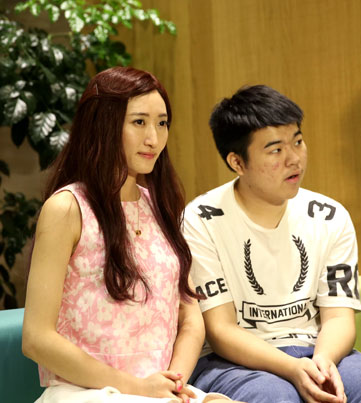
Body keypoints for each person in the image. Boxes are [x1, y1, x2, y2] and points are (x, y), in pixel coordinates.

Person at [22, 67, 232, 403]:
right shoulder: (66, 209)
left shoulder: (161, 207)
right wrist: (136, 388)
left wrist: (173, 386)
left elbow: (191, 318)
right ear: (103, 125)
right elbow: (36, 339)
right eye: (139, 122)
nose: (154, 138)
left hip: (157, 391)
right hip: (85, 391)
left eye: (162, 123)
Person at [182, 85, 361, 403]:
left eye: (297, 141)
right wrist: (292, 369)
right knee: (274, 395)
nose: (294, 158)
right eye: (275, 150)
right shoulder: (202, 219)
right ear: (237, 162)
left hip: (315, 347)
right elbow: (221, 330)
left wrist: (322, 362)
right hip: (232, 360)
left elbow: (339, 318)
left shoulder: (329, 216)